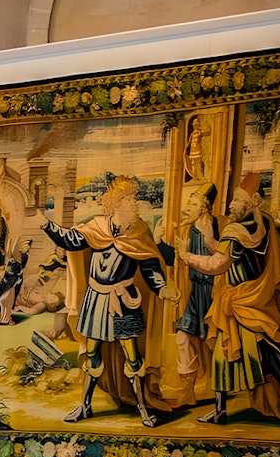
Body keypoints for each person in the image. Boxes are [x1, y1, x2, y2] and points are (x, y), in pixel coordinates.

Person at [177, 173, 280, 429]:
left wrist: (185, 256)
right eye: (231, 199)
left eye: (237, 200)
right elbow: (233, 253)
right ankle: (220, 410)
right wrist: (210, 240)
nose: (230, 205)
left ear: (251, 201)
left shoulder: (235, 229)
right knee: (223, 352)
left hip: (244, 299)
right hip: (251, 295)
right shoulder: (261, 222)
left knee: (266, 352)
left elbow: (217, 264)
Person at [41, 176, 179, 427]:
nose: (135, 204)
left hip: (125, 302)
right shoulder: (96, 228)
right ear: (116, 204)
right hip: (96, 301)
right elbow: (70, 240)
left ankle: (142, 409)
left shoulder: (139, 232)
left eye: (135, 199)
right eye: (130, 200)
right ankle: (84, 406)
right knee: (92, 353)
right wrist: (46, 225)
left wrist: (162, 288)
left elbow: (149, 266)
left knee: (132, 357)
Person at [172, 183, 219, 400]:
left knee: (213, 340)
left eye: (192, 203)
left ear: (204, 206)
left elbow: (221, 260)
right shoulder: (189, 229)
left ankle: (217, 389)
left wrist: (209, 244)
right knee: (183, 336)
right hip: (195, 291)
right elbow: (178, 257)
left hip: (212, 292)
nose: (187, 207)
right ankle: (187, 390)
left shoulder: (216, 227)